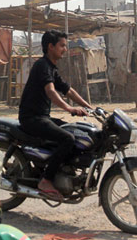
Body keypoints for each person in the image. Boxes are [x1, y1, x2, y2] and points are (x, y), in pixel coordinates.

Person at [18, 30, 92, 200]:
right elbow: (51, 91)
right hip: (32, 118)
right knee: (67, 139)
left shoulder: (51, 68)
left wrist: (90, 107)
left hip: (42, 117)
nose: (65, 49)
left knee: (75, 131)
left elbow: (68, 90)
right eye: (62, 45)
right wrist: (69, 109)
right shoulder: (42, 66)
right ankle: (46, 180)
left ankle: (61, 169)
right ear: (50, 46)